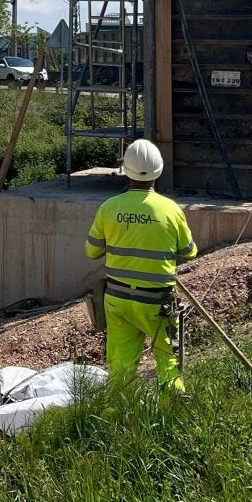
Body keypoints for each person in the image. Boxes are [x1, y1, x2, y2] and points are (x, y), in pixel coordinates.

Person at [84, 139, 198, 393]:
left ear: (125, 169)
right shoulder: (170, 209)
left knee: (121, 369)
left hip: (117, 300)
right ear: (159, 169)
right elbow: (189, 252)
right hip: (156, 304)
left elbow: (92, 250)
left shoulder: (109, 208)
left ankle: (121, 419)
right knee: (168, 362)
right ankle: (174, 413)